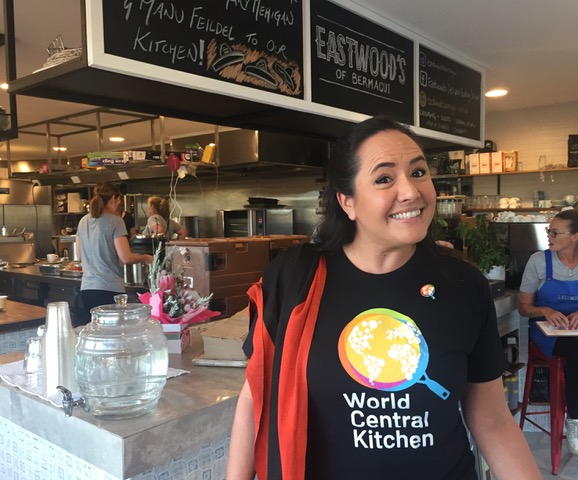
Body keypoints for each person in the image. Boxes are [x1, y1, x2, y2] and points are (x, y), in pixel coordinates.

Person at [226, 116, 540, 479]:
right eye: (384, 178)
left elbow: (492, 421)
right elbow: (255, 398)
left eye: (419, 172)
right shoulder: (294, 278)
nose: (410, 191)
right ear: (348, 202)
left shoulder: (461, 282)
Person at [519, 209, 578, 456]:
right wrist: (544, 310)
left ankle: (575, 419)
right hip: (549, 336)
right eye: (549, 230)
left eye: (555, 232)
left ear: (576, 236)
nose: (549, 235)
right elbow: (524, 307)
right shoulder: (539, 261)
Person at [76, 182, 153, 324]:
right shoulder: (115, 222)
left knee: (96, 334)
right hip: (109, 290)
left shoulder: (83, 221)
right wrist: (146, 258)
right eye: (118, 201)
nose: (118, 205)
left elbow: (79, 255)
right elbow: (126, 257)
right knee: (114, 334)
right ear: (112, 199)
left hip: (87, 289)